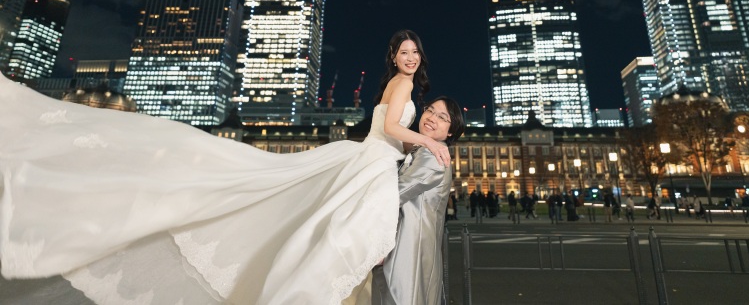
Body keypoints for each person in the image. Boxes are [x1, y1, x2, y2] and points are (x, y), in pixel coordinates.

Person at [0, 29, 450, 304]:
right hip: (373, 162)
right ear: (394, 57)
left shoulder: (403, 83)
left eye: (414, 52)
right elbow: (392, 125)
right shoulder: (403, 84)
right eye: (403, 51)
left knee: (327, 231)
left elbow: (389, 129)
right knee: (342, 239)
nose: (410, 57)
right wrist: (427, 139)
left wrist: (416, 145)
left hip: (372, 160)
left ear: (418, 57)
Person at [372, 96, 465, 305]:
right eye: (430, 110)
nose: (432, 117)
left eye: (442, 117)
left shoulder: (434, 156)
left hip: (409, 249)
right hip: (408, 245)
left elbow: (395, 193)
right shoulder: (424, 150)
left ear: (451, 131)